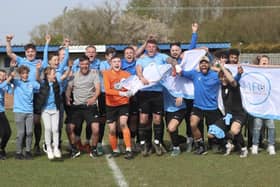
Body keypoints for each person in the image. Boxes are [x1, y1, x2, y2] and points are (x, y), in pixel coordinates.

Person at [177, 56, 232, 155]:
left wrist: (216, 67)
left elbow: (228, 77)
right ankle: (201, 146)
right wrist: (174, 64)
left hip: (212, 108)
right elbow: (181, 72)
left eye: (206, 63)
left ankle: (225, 144)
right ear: (199, 65)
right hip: (198, 106)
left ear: (209, 65)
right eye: (201, 63)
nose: (203, 65)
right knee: (193, 124)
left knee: (215, 132)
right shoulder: (195, 74)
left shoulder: (216, 75)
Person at [136, 38, 178, 156]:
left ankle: (157, 142)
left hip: (157, 92)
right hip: (144, 92)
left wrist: (175, 67)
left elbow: (172, 60)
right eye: (149, 47)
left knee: (157, 119)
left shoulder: (162, 57)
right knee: (143, 119)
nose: (151, 49)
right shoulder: (142, 59)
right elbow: (138, 70)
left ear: (156, 48)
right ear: (146, 48)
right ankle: (145, 143)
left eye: (153, 47)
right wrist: (141, 77)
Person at [6, 34, 43, 154]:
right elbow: (10, 54)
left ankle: (36, 145)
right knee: (24, 126)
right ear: (25, 53)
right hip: (24, 93)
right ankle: (21, 147)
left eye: (32, 51)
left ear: (35, 52)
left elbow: (39, 80)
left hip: (35, 94)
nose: (30, 53)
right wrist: (8, 42)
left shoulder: (39, 62)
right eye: (28, 51)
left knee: (36, 122)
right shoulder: (22, 61)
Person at [169, 22, 200, 152]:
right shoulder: (169, 63)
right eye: (173, 50)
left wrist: (194, 32)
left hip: (191, 95)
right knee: (176, 120)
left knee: (190, 120)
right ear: (170, 52)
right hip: (179, 96)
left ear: (181, 51)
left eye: (177, 50)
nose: (175, 52)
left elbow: (192, 48)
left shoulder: (186, 60)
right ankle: (177, 142)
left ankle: (190, 141)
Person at [208, 60, 248, 158]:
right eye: (221, 77)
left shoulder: (234, 86)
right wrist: (211, 65)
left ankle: (243, 149)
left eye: (225, 76)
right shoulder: (220, 87)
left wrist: (222, 67)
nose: (223, 79)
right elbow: (213, 69)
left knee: (234, 130)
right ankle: (228, 144)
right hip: (227, 116)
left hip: (239, 114)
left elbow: (232, 80)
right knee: (211, 134)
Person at [66, 55, 100, 159]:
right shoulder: (74, 75)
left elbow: (98, 89)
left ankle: (93, 149)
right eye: (82, 64)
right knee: (69, 128)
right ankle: (74, 149)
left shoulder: (94, 74)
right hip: (76, 107)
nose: (84, 66)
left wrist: (93, 98)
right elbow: (69, 88)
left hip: (90, 106)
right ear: (79, 65)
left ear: (89, 64)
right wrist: (67, 97)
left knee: (96, 129)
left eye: (86, 64)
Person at [103, 56, 134, 159]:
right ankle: (115, 150)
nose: (117, 63)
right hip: (111, 105)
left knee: (123, 124)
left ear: (121, 63)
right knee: (112, 130)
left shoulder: (127, 74)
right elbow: (107, 90)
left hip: (123, 104)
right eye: (114, 62)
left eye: (119, 61)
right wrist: (121, 93)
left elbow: (131, 87)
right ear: (111, 64)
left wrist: (131, 92)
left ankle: (129, 149)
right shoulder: (106, 74)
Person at [11, 65, 40, 160]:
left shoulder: (32, 83)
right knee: (21, 133)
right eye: (23, 73)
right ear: (20, 74)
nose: (25, 75)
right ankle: (18, 152)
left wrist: (38, 70)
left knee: (30, 132)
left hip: (29, 112)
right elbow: (10, 78)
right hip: (19, 111)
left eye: (26, 73)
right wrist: (12, 68)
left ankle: (28, 151)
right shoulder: (16, 82)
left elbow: (41, 86)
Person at [251, 55, 276, 155]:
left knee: (271, 126)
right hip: (258, 107)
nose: (265, 62)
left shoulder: (272, 74)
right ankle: (255, 145)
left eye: (266, 61)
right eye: (263, 61)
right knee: (257, 126)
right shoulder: (255, 74)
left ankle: (271, 145)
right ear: (259, 63)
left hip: (269, 107)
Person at [0, 69, 13, 159]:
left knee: (8, 132)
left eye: (4, 75)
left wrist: (9, 83)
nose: (3, 77)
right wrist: (9, 78)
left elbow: (11, 92)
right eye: (1, 75)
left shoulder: (4, 84)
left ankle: (1, 148)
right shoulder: (2, 85)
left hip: (1, 112)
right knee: (3, 132)